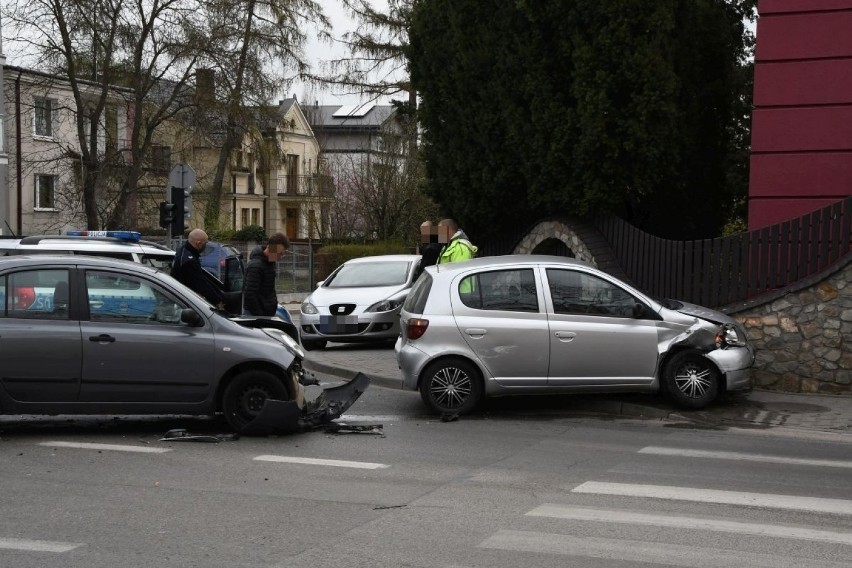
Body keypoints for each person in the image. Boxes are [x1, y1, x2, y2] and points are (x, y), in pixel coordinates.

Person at [171, 228, 225, 308]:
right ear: (198, 243)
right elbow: (200, 283)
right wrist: (217, 300)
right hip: (186, 303)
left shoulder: (183, 252)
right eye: (205, 243)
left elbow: (203, 278)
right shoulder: (189, 260)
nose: (205, 246)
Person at [243, 232, 289, 316]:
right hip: (257, 316)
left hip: (266, 313)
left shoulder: (270, 263)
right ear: (270, 247)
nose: (281, 256)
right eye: (280, 253)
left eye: (283, 253)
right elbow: (250, 295)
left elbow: (268, 290)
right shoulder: (256, 266)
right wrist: (261, 316)